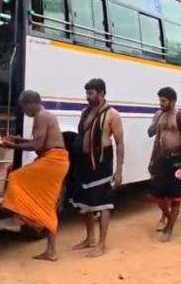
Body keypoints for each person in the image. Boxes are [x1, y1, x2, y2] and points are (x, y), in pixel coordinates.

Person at [0, 90, 69, 261]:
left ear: (31, 104)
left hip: (53, 161)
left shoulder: (41, 116)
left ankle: (18, 217)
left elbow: (38, 144)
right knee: (47, 204)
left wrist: (10, 146)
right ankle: (51, 251)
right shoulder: (46, 115)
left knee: (16, 177)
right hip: (56, 161)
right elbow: (38, 142)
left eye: (24, 108)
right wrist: (17, 140)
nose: (24, 112)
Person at [69, 78, 124, 257]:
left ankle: (101, 243)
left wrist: (119, 171)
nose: (87, 97)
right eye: (86, 93)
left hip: (101, 163)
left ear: (101, 94)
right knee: (84, 202)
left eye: (91, 93)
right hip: (83, 162)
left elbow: (120, 143)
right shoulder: (85, 112)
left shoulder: (112, 114)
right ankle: (90, 238)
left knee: (103, 203)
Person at [147, 87, 181, 241]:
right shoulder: (160, 116)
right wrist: (152, 159)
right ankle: (169, 218)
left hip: (176, 159)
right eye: (160, 100)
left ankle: (169, 229)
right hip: (162, 159)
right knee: (157, 196)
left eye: (164, 101)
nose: (161, 103)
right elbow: (156, 139)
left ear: (172, 101)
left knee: (175, 197)